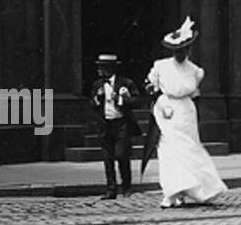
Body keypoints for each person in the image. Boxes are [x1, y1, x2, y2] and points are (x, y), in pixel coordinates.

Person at [148, 17, 227, 208]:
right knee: (168, 151)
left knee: (189, 149)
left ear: (188, 50)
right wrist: (160, 101)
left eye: (183, 50)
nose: (179, 54)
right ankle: (171, 192)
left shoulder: (196, 71)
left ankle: (193, 189)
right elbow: (150, 85)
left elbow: (194, 93)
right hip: (166, 109)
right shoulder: (161, 66)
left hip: (186, 112)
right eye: (176, 51)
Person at [89, 53, 140, 199]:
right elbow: (91, 104)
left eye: (102, 67)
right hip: (105, 125)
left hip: (121, 123)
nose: (99, 70)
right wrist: (98, 98)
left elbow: (137, 101)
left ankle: (126, 187)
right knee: (107, 157)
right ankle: (111, 190)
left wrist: (122, 100)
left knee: (121, 155)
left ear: (109, 68)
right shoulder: (97, 85)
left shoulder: (125, 83)